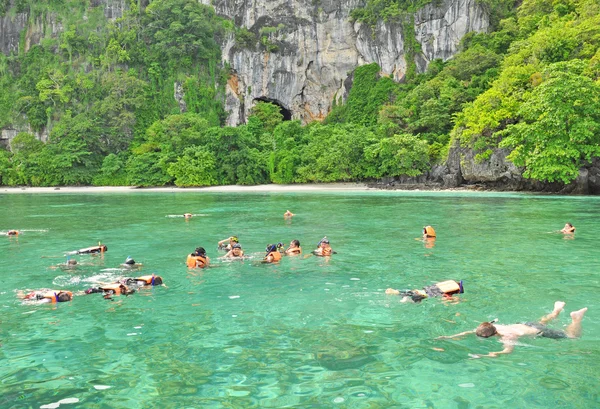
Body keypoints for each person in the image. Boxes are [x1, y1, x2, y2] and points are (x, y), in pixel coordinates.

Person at [437, 301, 588, 357]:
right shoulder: (491, 326)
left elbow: (507, 351)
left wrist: (490, 354)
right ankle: (556, 310)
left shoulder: (507, 336)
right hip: (527, 324)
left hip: (538, 332)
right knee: (541, 321)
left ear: (492, 335)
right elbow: (468, 332)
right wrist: (449, 337)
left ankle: (576, 318)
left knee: (572, 337)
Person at [386, 280, 464, 303]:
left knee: (410, 292)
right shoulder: (446, 295)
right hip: (421, 297)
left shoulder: (437, 286)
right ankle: (406, 299)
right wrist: (456, 300)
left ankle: (397, 292)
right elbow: (443, 300)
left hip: (419, 291)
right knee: (413, 301)